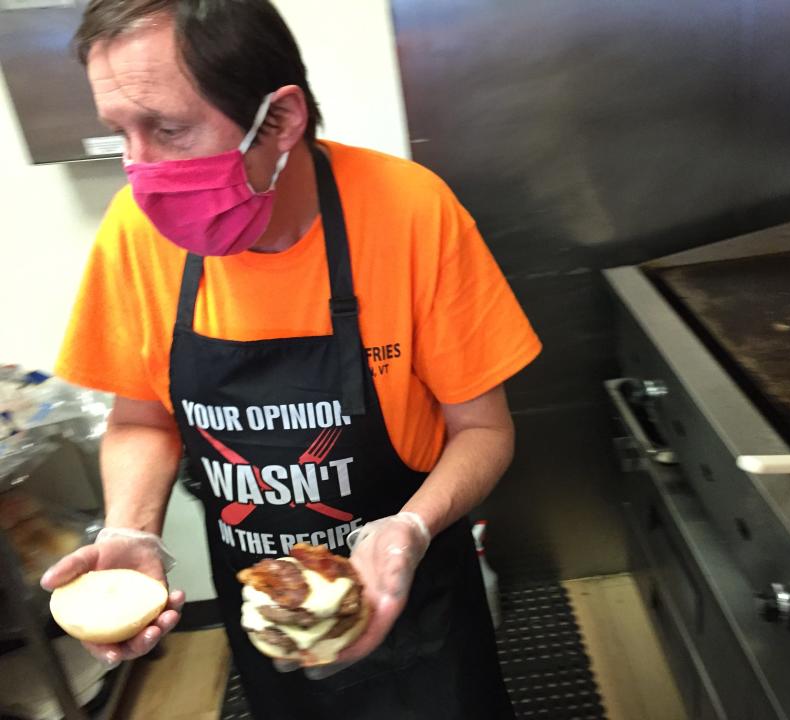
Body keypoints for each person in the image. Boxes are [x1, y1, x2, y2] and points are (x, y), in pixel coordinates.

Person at [41, 1, 541, 717]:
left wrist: (411, 528)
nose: (139, 171)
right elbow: (142, 420)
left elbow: (485, 430)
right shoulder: (133, 234)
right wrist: (129, 529)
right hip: (264, 607)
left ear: (280, 119)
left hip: (415, 591)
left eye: (169, 129)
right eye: (120, 132)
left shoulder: (410, 212)